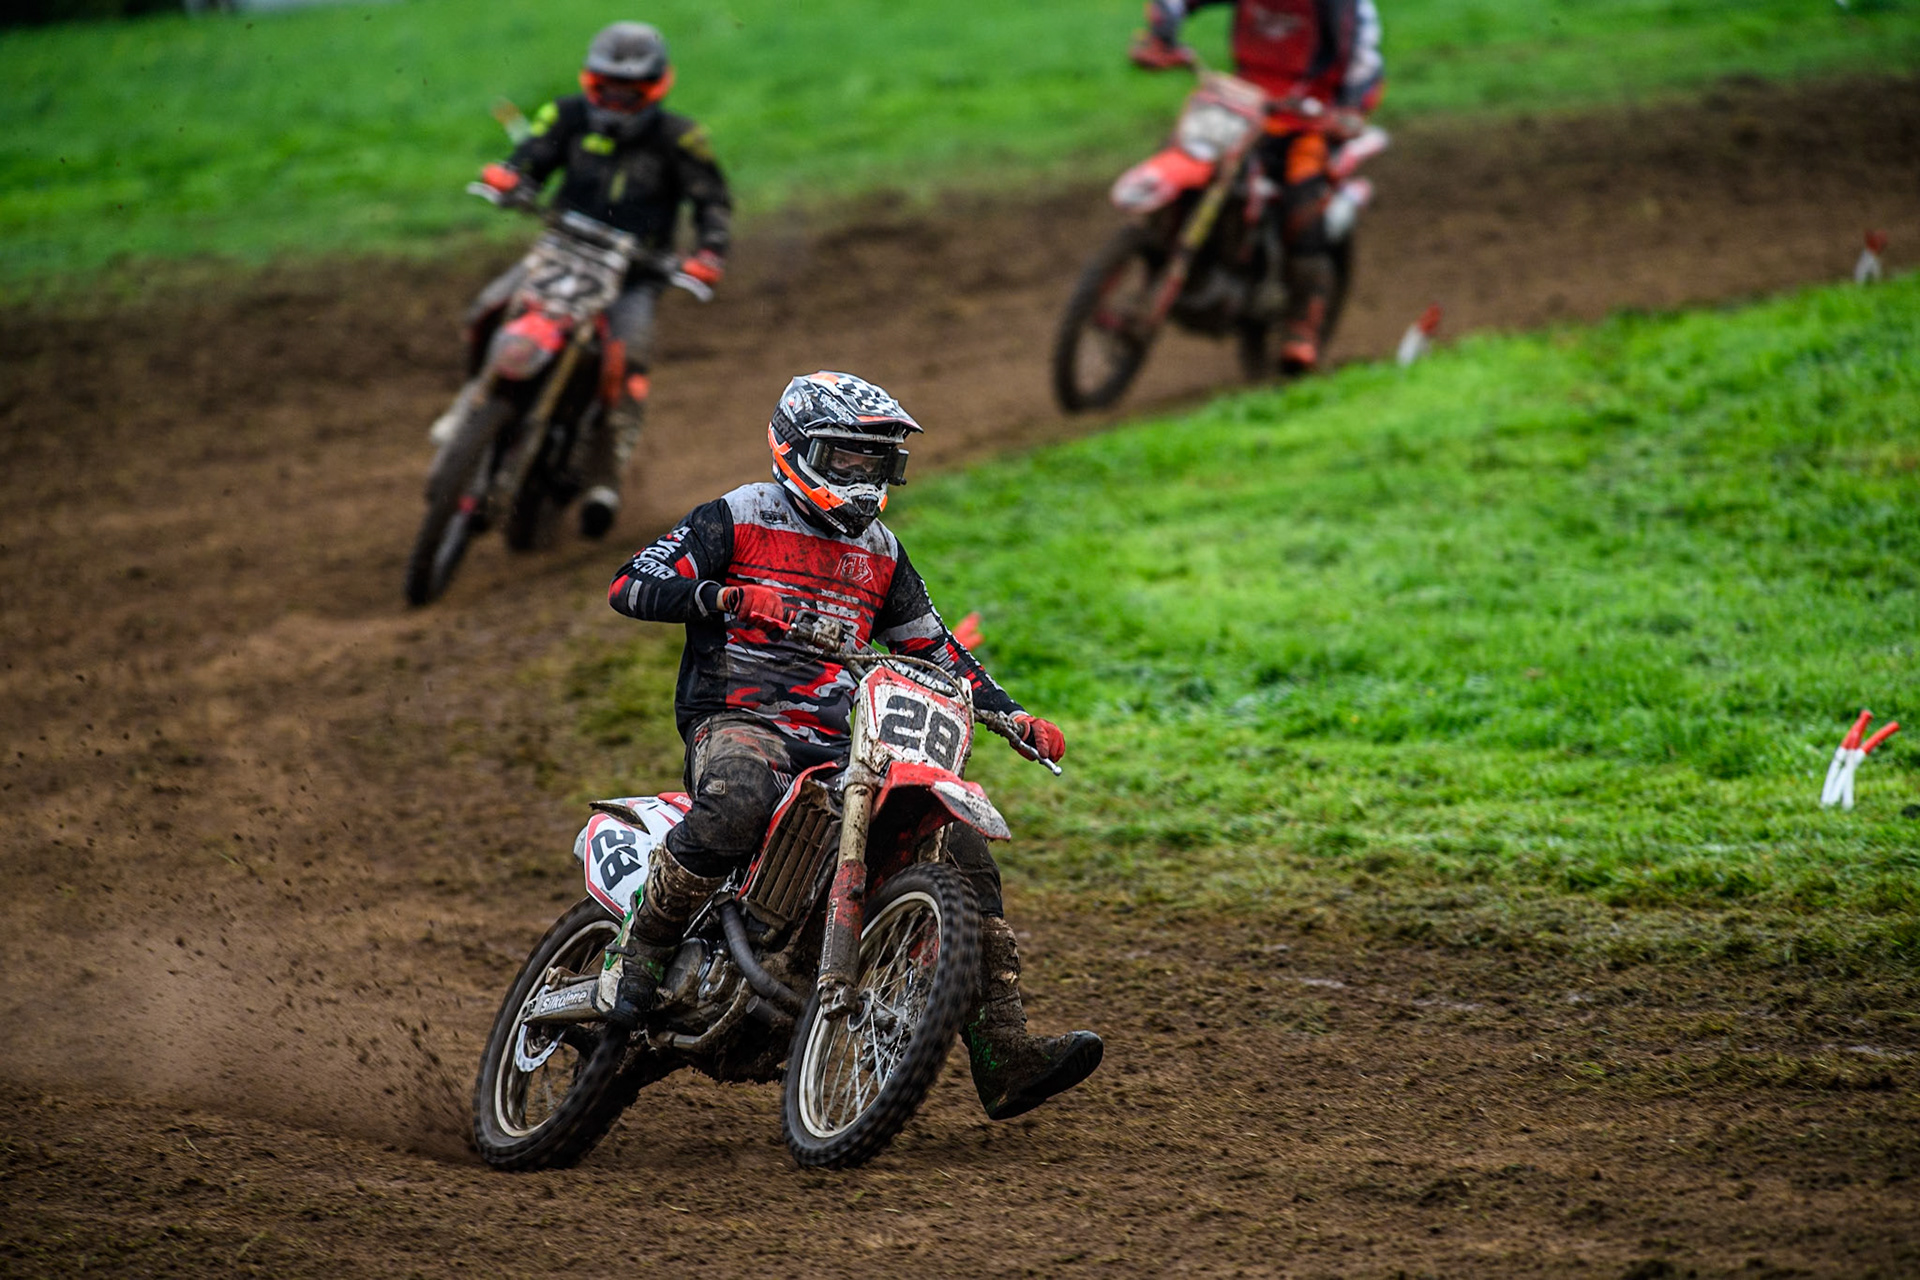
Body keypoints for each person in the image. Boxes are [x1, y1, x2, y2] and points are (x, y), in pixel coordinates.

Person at [602, 370, 1103, 1121]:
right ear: (797, 448)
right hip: (740, 718)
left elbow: (937, 650)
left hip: (845, 737)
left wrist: (1015, 716)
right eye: (846, 458)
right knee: (741, 798)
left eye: (878, 462)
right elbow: (631, 585)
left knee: (961, 847)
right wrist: (725, 596)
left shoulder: (882, 552)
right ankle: (638, 951)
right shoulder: (738, 515)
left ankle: (1003, 1050)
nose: (863, 477)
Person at [460, 21, 732, 538]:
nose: (616, 101)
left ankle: (605, 479)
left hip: (635, 273)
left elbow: (712, 201)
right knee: (487, 307)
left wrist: (708, 254)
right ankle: (471, 404)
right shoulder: (567, 114)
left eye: (630, 92)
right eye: (607, 88)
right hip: (561, 251)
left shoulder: (681, 138)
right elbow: (533, 154)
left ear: (655, 87)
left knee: (625, 362)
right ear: (591, 82)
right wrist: (513, 177)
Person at [1131, 0, 1384, 372]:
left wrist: (1351, 108)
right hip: (1241, 107)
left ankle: (1303, 324)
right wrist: (1161, 34)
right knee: (1182, 153)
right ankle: (1161, 250)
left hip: (1308, 120)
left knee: (1303, 207)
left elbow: (1366, 61)